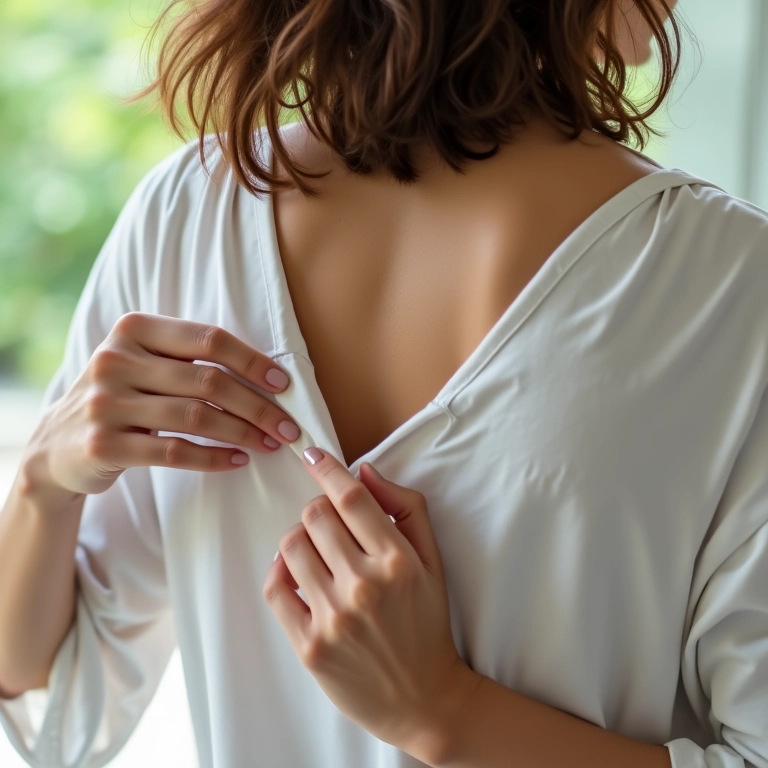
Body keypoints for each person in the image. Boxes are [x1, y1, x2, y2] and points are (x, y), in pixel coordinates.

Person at [1, 0, 767, 766]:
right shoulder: (181, 222)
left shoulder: (188, 212)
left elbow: (52, 709)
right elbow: (48, 709)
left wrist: (446, 713)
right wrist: (42, 485)